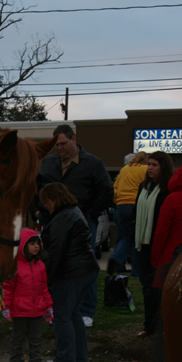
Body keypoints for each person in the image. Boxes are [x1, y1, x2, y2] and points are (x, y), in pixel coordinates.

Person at [31, 124, 113, 329]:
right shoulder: (47, 164)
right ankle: (56, 309)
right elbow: (32, 189)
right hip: (52, 222)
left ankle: (85, 311)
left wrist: (88, 215)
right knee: (53, 263)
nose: (59, 148)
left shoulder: (93, 163)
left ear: (74, 139)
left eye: (63, 143)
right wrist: (36, 211)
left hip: (81, 223)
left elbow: (106, 192)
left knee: (82, 265)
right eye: (56, 144)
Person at [39, 183, 99, 362]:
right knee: (74, 313)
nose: (45, 206)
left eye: (46, 201)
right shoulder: (73, 212)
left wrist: (46, 279)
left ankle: (65, 357)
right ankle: (80, 355)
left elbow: (56, 251)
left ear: (54, 199)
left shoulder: (63, 218)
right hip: (86, 269)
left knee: (61, 315)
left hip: (71, 272)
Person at [133, 151, 174, 338]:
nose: (150, 168)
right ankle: (149, 325)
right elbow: (136, 211)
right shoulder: (144, 186)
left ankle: (161, 325)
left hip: (158, 244)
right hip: (142, 243)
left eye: (155, 165)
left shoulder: (168, 190)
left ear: (163, 167)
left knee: (159, 287)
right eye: (149, 164)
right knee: (147, 287)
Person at [2, 229, 53, 362]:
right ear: (23, 246)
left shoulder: (41, 266)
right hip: (19, 309)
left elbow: (44, 288)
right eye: (32, 243)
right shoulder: (15, 266)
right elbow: (8, 288)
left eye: (38, 243)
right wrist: (6, 307)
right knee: (18, 338)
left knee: (36, 339)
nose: (36, 246)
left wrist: (49, 306)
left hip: (37, 309)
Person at [108, 151, 148, 276]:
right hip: (136, 205)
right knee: (136, 239)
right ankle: (135, 269)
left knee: (122, 236)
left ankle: (118, 265)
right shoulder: (146, 170)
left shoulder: (125, 169)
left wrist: (117, 201)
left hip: (120, 205)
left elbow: (114, 188)